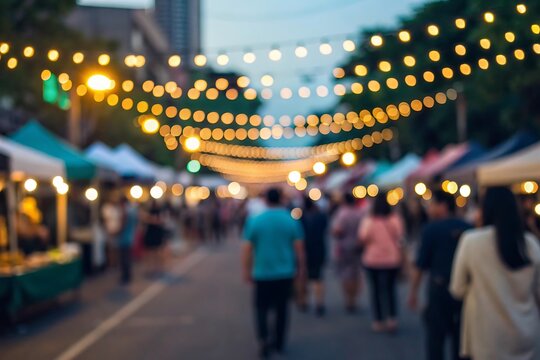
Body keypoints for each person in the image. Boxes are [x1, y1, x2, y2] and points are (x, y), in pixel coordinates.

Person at [450, 187, 540, 360]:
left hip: (486, 336)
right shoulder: (530, 244)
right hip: (527, 333)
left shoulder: (471, 241)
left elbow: (457, 289)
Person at [407, 190, 472, 360]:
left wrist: (413, 291)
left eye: (432, 204)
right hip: (465, 289)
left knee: (436, 338)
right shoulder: (468, 228)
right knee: (462, 338)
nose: (429, 208)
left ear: (442, 206)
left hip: (439, 288)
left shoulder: (431, 229)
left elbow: (420, 265)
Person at [242, 188, 306, 359]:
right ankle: (279, 341)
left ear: (265, 201)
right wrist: (301, 270)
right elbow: (299, 250)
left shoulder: (255, 221)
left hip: (262, 272)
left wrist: (246, 271)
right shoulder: (291, 220)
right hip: (285, 273)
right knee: (282, 309)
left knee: (261, 308)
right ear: (281, 200)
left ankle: (263, 339)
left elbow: (247, 250)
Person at [358, 191, 404, 332]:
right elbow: (401, 237)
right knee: (390, 290)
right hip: (392, 259)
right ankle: (392, 318)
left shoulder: (369, 220)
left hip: (372, 260)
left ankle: (378, 320)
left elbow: (362, 238)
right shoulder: (395, 219)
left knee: (376, 290)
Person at [331, 193, 365, 313]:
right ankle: (354, 299)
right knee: (356, 273)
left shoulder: (342, 214)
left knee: (346, 274)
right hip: (357, 246)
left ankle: (349, 299)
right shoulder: (359, 213)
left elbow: (337, 230)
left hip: (344, 247)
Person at [297, 195, 329, 316]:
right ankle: (319, 303)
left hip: (304, 251)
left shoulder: (301, 218)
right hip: (318, 250)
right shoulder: (321, 217)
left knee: (303, 276)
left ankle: (303, 300)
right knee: (318, 278)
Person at [141, 199, 166, 276]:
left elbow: (160, 221)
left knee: (157, 252)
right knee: (150, 252)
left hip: (156, 233)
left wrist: (150, 219)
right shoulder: (149, 212)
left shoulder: (159, 212)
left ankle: (157, 268)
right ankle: (151, 268)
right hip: (151, 233)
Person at [117, 197, 138, 285]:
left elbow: (122, 224)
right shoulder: (133, 210)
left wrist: (116, 231)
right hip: (130, 236)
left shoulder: (126, 211)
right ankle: (128, 275)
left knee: (124, 258)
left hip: (124, 238)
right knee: (127, 257)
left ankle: (126, 276)